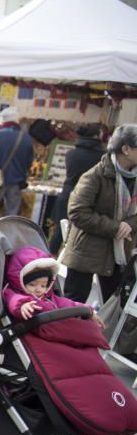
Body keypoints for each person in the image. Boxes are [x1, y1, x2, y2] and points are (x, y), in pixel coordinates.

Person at [61, 124, 137, 304]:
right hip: (86, 249)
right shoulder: (96, 175)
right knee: (73, 304)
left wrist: (130, 224)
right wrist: (116, 227)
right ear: (125, 149)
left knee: (115, 306)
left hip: (119, 251)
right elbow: (77, 212)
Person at [3, 246, 101, 325]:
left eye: (43, 285)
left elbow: (70, 304)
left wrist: (88, 310)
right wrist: (22, 306)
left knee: (88, 328)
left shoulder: (50, 298)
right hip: (36, 330)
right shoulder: (16, 293)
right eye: (32, 284)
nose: (38, 289)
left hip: (54, 328)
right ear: (20, 282)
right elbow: (12, 299)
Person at [49, 124, 104, 255]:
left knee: (60, 230)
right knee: (83, 231)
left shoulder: (71, 154)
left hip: (67, 193)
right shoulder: (102, 157)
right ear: (96, 136)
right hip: (89, 197)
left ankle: (50, 257)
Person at [0, 106, 34, 221]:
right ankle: (6, 237)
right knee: (11, 217)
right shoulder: (26, 139)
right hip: (16, 181)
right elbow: (29, 164)